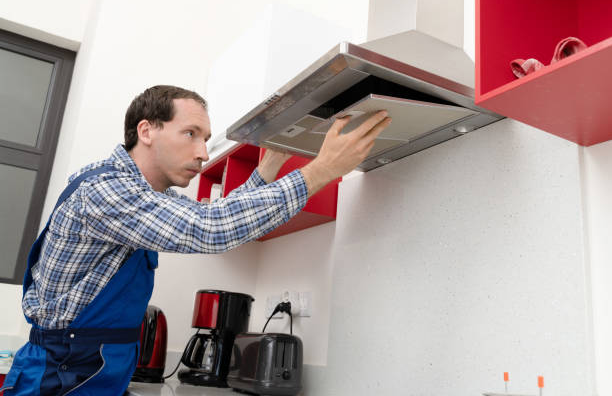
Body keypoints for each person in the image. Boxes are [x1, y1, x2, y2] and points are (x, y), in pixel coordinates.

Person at [0, 85, 390, 395]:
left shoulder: (144, 196)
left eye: (205, 139)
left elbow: (214, 217)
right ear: (146, 131)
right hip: (60, 375)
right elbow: (208, 228)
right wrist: (320, 171)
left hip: (93, 371)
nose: (203, 153)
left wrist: (269, 165)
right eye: (190, 134)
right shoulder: (106, 190)